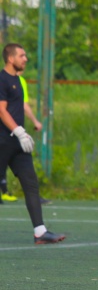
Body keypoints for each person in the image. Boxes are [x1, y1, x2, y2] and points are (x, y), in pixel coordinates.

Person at [0, 43, 65, 244]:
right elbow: (1, 110)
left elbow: (18, 108)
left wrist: (22, 134)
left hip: (16, 143)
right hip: (3, 140)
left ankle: (40, 232)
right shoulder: (2, 79)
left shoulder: (18, 80)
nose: (25, 59)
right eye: (22, 55)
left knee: (30, 184)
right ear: (11, 58)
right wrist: (18, 131)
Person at [0, 71, 50, 204]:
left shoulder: (14, 80)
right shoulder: (16, 80)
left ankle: (9, 192)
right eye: (22, 59)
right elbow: (23, 105)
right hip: (8, 132)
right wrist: (35, 121)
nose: (25, 61)